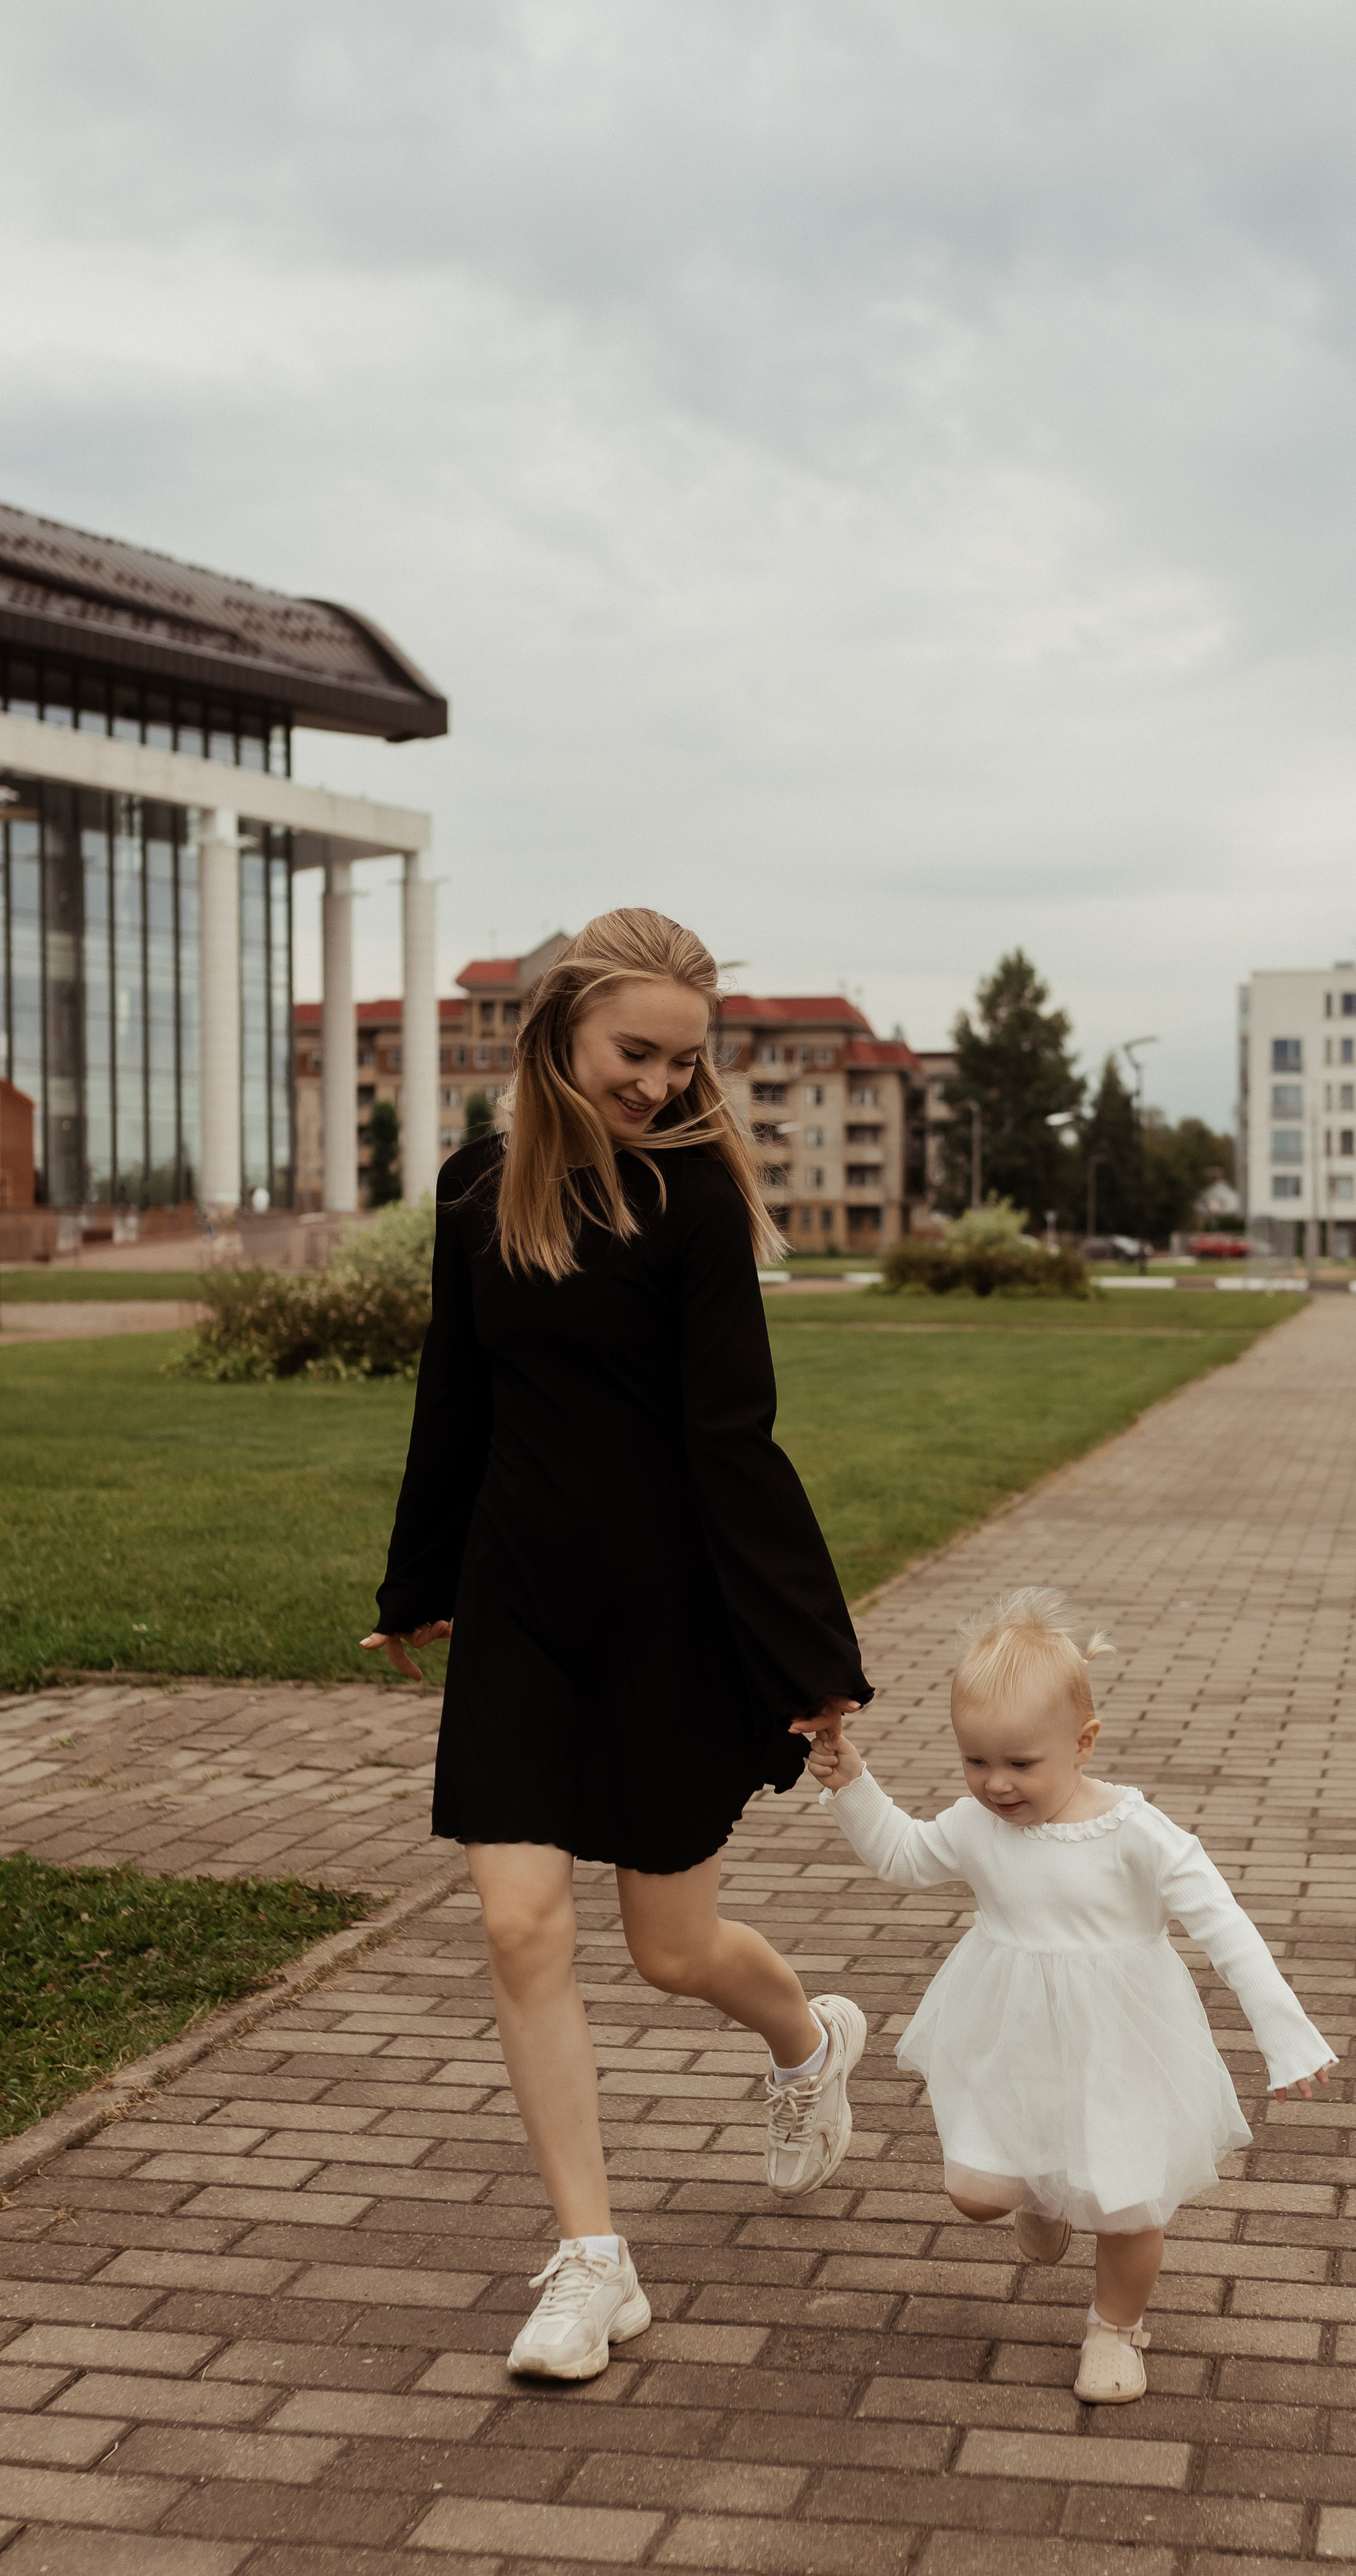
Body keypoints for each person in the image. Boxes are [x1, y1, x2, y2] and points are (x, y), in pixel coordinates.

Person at [361, 908, 872, 2383]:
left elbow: (732, 1441)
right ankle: (592, 2261)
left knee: (670, 1951)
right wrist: (414, 1586)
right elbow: (450, 1401)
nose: (654, 1083)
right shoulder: (477, 1188)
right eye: (630, 1054)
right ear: (558, 1034)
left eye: (678, 1061)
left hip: (666, 1620)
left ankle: (806, 2043)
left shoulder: (694, 1203)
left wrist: (807, 1657)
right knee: (519, 1924)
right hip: (519, 1603)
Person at [806, 1589, 1335, 2403]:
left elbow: (1225, 1930)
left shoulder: (1137, 1833)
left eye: (1021, 1764)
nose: (995, 1786)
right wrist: (853, 1783)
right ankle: (1039, 2195)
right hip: (1009, 2026)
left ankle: (1114, 2331)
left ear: (1083, 1744)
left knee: (1125, 2202)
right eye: (976, 1761)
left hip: (1122, 2037)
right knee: (975, 2195)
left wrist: (1285, 2034)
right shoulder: (977, 1823)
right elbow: (903, 1857)